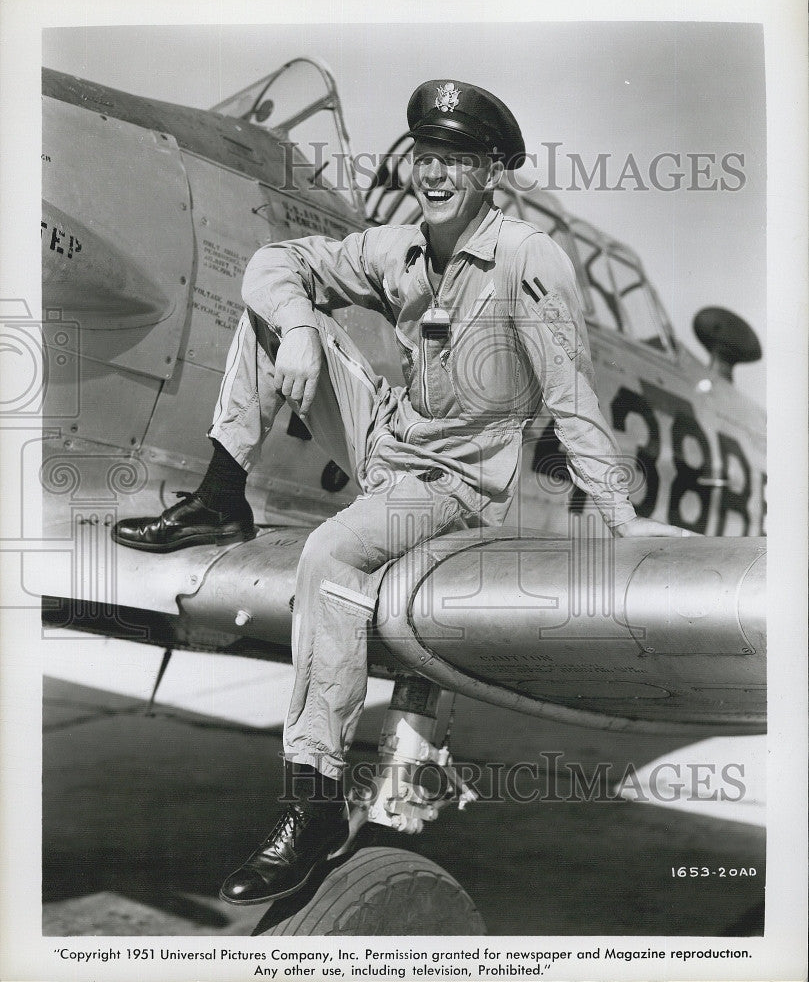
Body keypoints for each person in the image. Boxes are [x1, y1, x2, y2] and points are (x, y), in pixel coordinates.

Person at [113, 78, 688, 905]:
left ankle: (309, 803)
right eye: (426, 154)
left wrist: (623, 523)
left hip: (457, 484)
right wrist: (306, 326)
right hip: (389, 439)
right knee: (273, 309)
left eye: (457, 159)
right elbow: (278, 262)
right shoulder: (400, 245)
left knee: (330, 555)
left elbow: (571, 401)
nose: (435, 172)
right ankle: (219, 493)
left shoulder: (530, 261)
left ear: (491, 171)